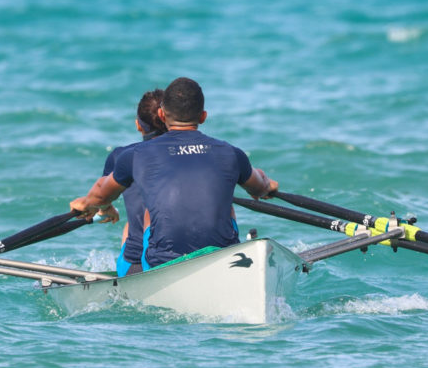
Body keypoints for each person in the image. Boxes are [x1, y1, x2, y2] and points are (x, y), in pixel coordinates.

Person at [71, 77, 278, 269]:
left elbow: (100, 195)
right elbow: (260, 187)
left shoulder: (135, 154)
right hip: (220, 257)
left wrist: (86, 204)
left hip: (163, 262)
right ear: (203, 116)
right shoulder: (231, 153)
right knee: (226, 202)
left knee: (149, 212)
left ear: (162, 114)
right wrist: (267, 186)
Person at [102, 89, 167, 276]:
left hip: (136, 263)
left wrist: (105, 209)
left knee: (130, 224)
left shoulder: (120, 156)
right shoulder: (195, 152)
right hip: (185, 249)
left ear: (138, 125)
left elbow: (102, 199)